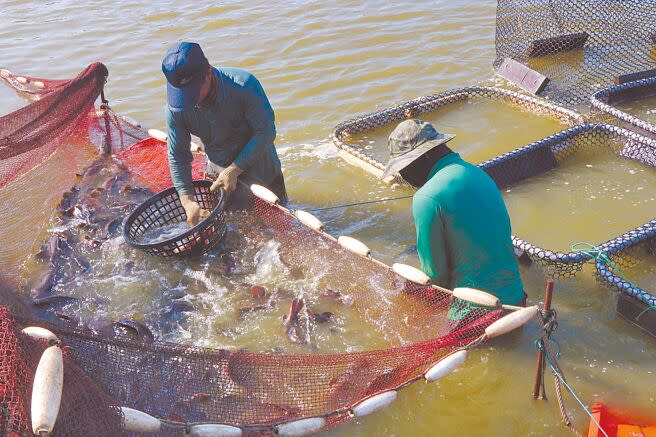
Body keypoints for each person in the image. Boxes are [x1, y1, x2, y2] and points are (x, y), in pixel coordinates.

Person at [382, 119, 526, 308]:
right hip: (516, 300)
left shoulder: (426, 198)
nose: (404, 177)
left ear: (425, 156)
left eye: (403, 168)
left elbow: (435, 276)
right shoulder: (477, 172)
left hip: (475, 310)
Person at [162, 42, 287, 226]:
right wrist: (187, 200)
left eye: (193, 93)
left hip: (263, 175)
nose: (188, 102)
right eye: (182, 95)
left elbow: (266, 132)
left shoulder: (244, 85)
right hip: (218, 176)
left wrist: (234, 170)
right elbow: (178, 155)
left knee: (275, 232)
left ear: (208, 73)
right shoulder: (176, 109)